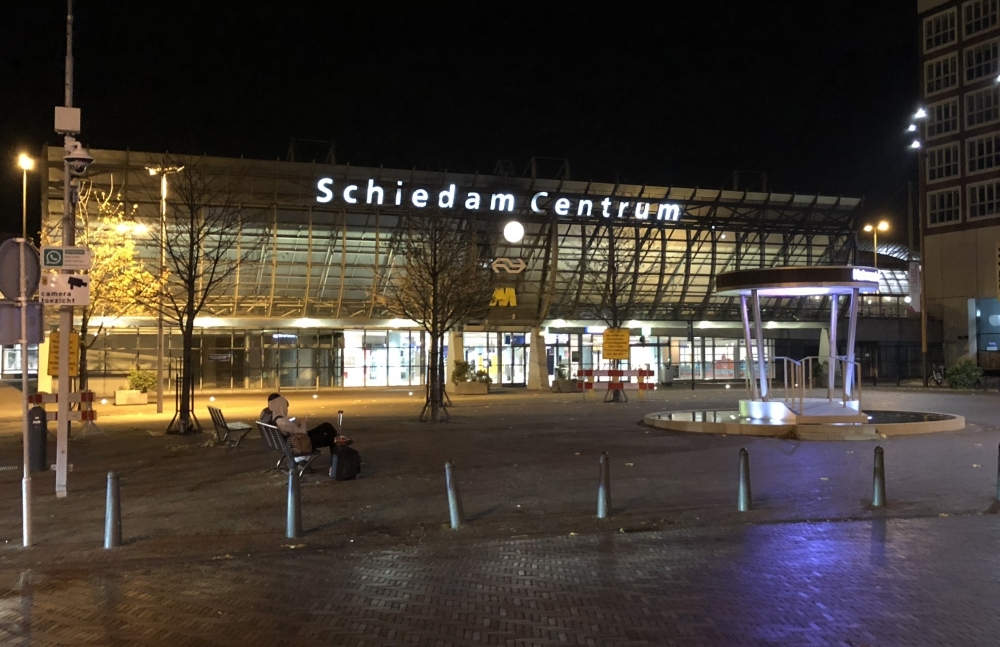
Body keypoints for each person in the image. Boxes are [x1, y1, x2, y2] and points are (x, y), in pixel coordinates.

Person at [260, 393, 340, 451]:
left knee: (326, 426)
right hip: (298, 442)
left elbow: (290, 427)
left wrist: (294, 423)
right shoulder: (282, 421)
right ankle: (338, 454)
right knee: (332, 438)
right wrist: (303, 423)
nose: (287, 410)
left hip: (290, 440)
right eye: (285, 407)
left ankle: (339, 445)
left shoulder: (271, 417)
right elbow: (302, 432)